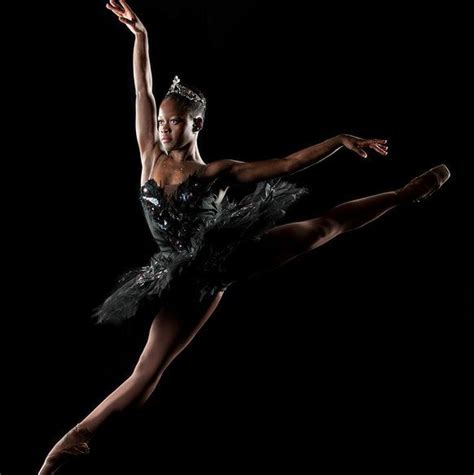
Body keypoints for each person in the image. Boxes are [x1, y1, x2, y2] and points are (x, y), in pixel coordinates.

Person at [37, 1, 451, 473]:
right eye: (160, 123)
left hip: (227, 256)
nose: (164, 129)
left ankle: (402, 194)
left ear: (196, 124)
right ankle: (75, 438)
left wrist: (338, 140)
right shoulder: (149, 156)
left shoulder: (216, 171)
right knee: (148, 369)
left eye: (174, 122)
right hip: (185, 277)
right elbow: (141, 92)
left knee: (323, 226)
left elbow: (289, 164)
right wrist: (141, 36)